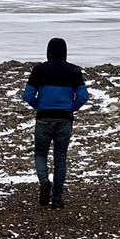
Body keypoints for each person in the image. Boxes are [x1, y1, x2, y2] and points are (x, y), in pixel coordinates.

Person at [21, 37, 89, 209]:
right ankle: (57, 199)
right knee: (60, 158)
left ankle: (44, 181)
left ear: (48, 51)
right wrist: (70, 108)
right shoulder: (73, 71)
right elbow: (83, 96)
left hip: (44, 118)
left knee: (40, 154)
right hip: (64, 119)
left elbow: (27, 95)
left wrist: (41, 106)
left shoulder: (39, 70)